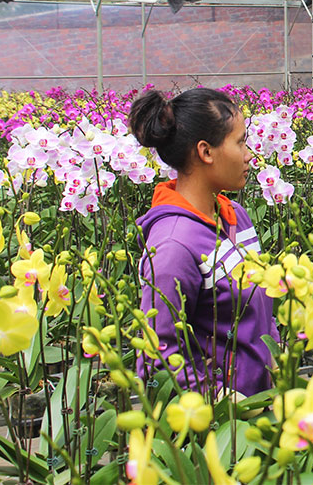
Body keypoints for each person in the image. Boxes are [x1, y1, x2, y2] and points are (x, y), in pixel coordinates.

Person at [130, 88, 277, 397]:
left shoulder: (235, 215)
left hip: (261, 404)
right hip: (224, 428)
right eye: (240, 142)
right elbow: (157, 356)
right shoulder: (173, 247)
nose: (250, 154)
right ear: (206, 152)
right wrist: (221, 400)